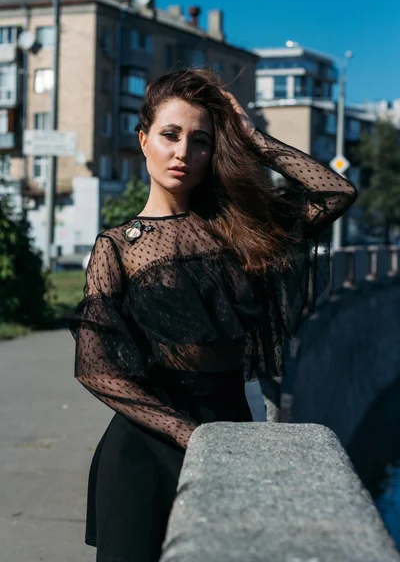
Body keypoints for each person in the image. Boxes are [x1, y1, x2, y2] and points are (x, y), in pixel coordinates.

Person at [68, 68, 357, 562]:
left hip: (230, 426)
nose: (183, 152)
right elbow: (94, 368)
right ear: (143, 140)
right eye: (170, 135)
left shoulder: (240, 230)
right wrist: (190, 434)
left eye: (200, 140)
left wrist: (251, 138)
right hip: (146, 444)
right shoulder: (116, 247)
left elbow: (335, 193)